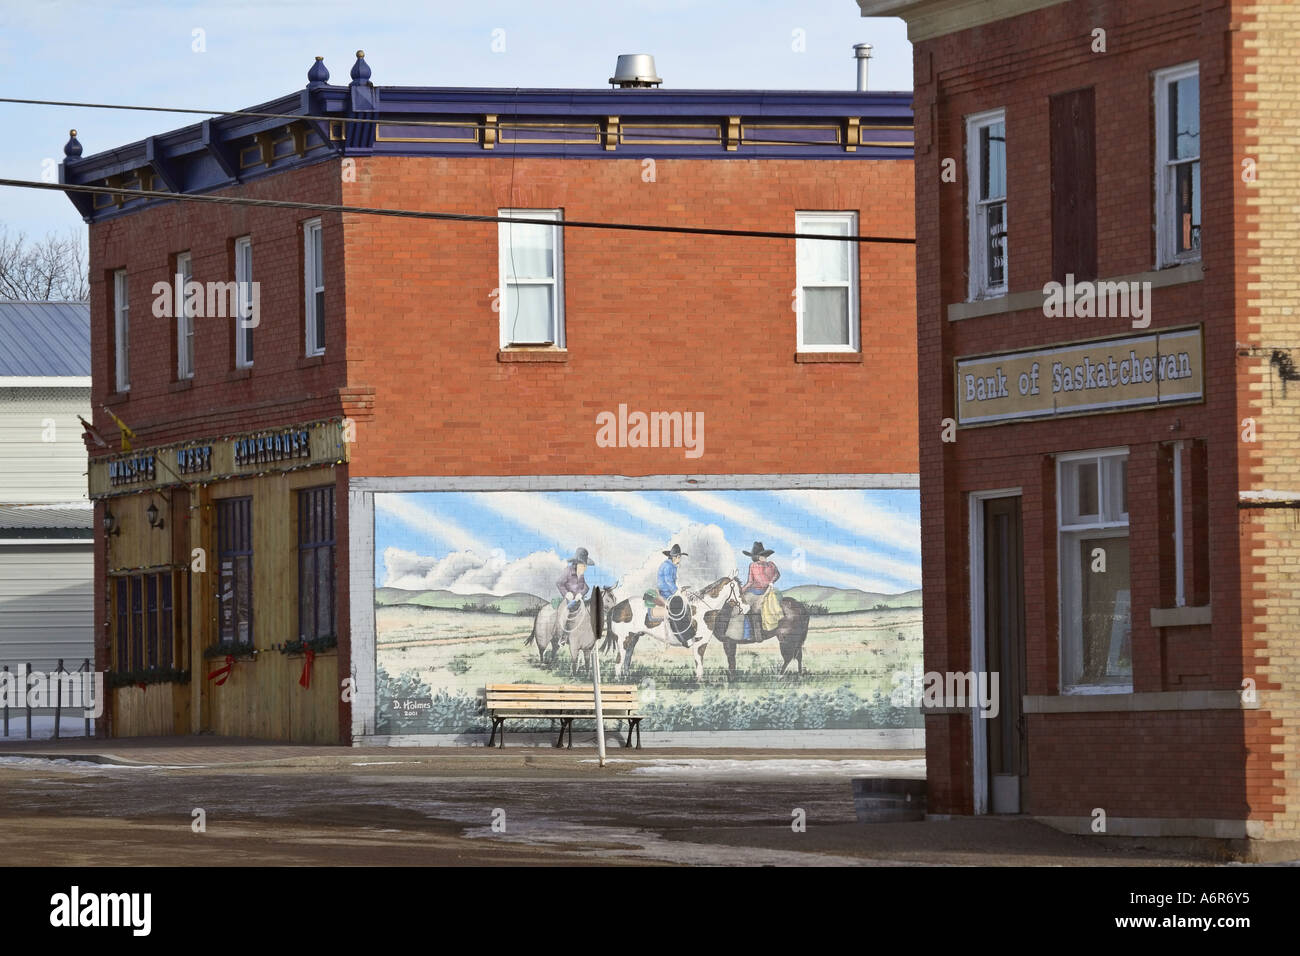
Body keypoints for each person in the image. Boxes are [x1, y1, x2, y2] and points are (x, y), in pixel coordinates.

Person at [740, 541, 780, 641]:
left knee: (753, 610)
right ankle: (747, 632)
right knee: (742, 607)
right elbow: (750, 582)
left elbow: (777, 574)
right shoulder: (753, 565)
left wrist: (771, 582)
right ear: (757, 557)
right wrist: (741, 591)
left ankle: (753, 635)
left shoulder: (771, 565)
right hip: (753, 591)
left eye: (764, 556)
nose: (764, 558)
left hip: (765, 593)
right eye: (762, 556)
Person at [646, 543, 687, 630]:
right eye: (679, 557)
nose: (680, 560)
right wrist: (677, 591)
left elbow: (673, 581)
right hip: (665, 593)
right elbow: (668, 581)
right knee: (677, 608)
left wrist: (679, 589)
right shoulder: (668, 566)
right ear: (674, 557)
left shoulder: (672, 566)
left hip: (669, 592)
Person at [556, 548, 594, 617]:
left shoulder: (580, 574)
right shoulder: (568, 571)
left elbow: (586, 587)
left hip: (578, 602)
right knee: (565, 618)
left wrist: (580, 594)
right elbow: (559, 583)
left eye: (585, 566)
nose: (585, 568)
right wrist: (566, 593)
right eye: (583, 565)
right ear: (577, 564)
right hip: (568, 601)